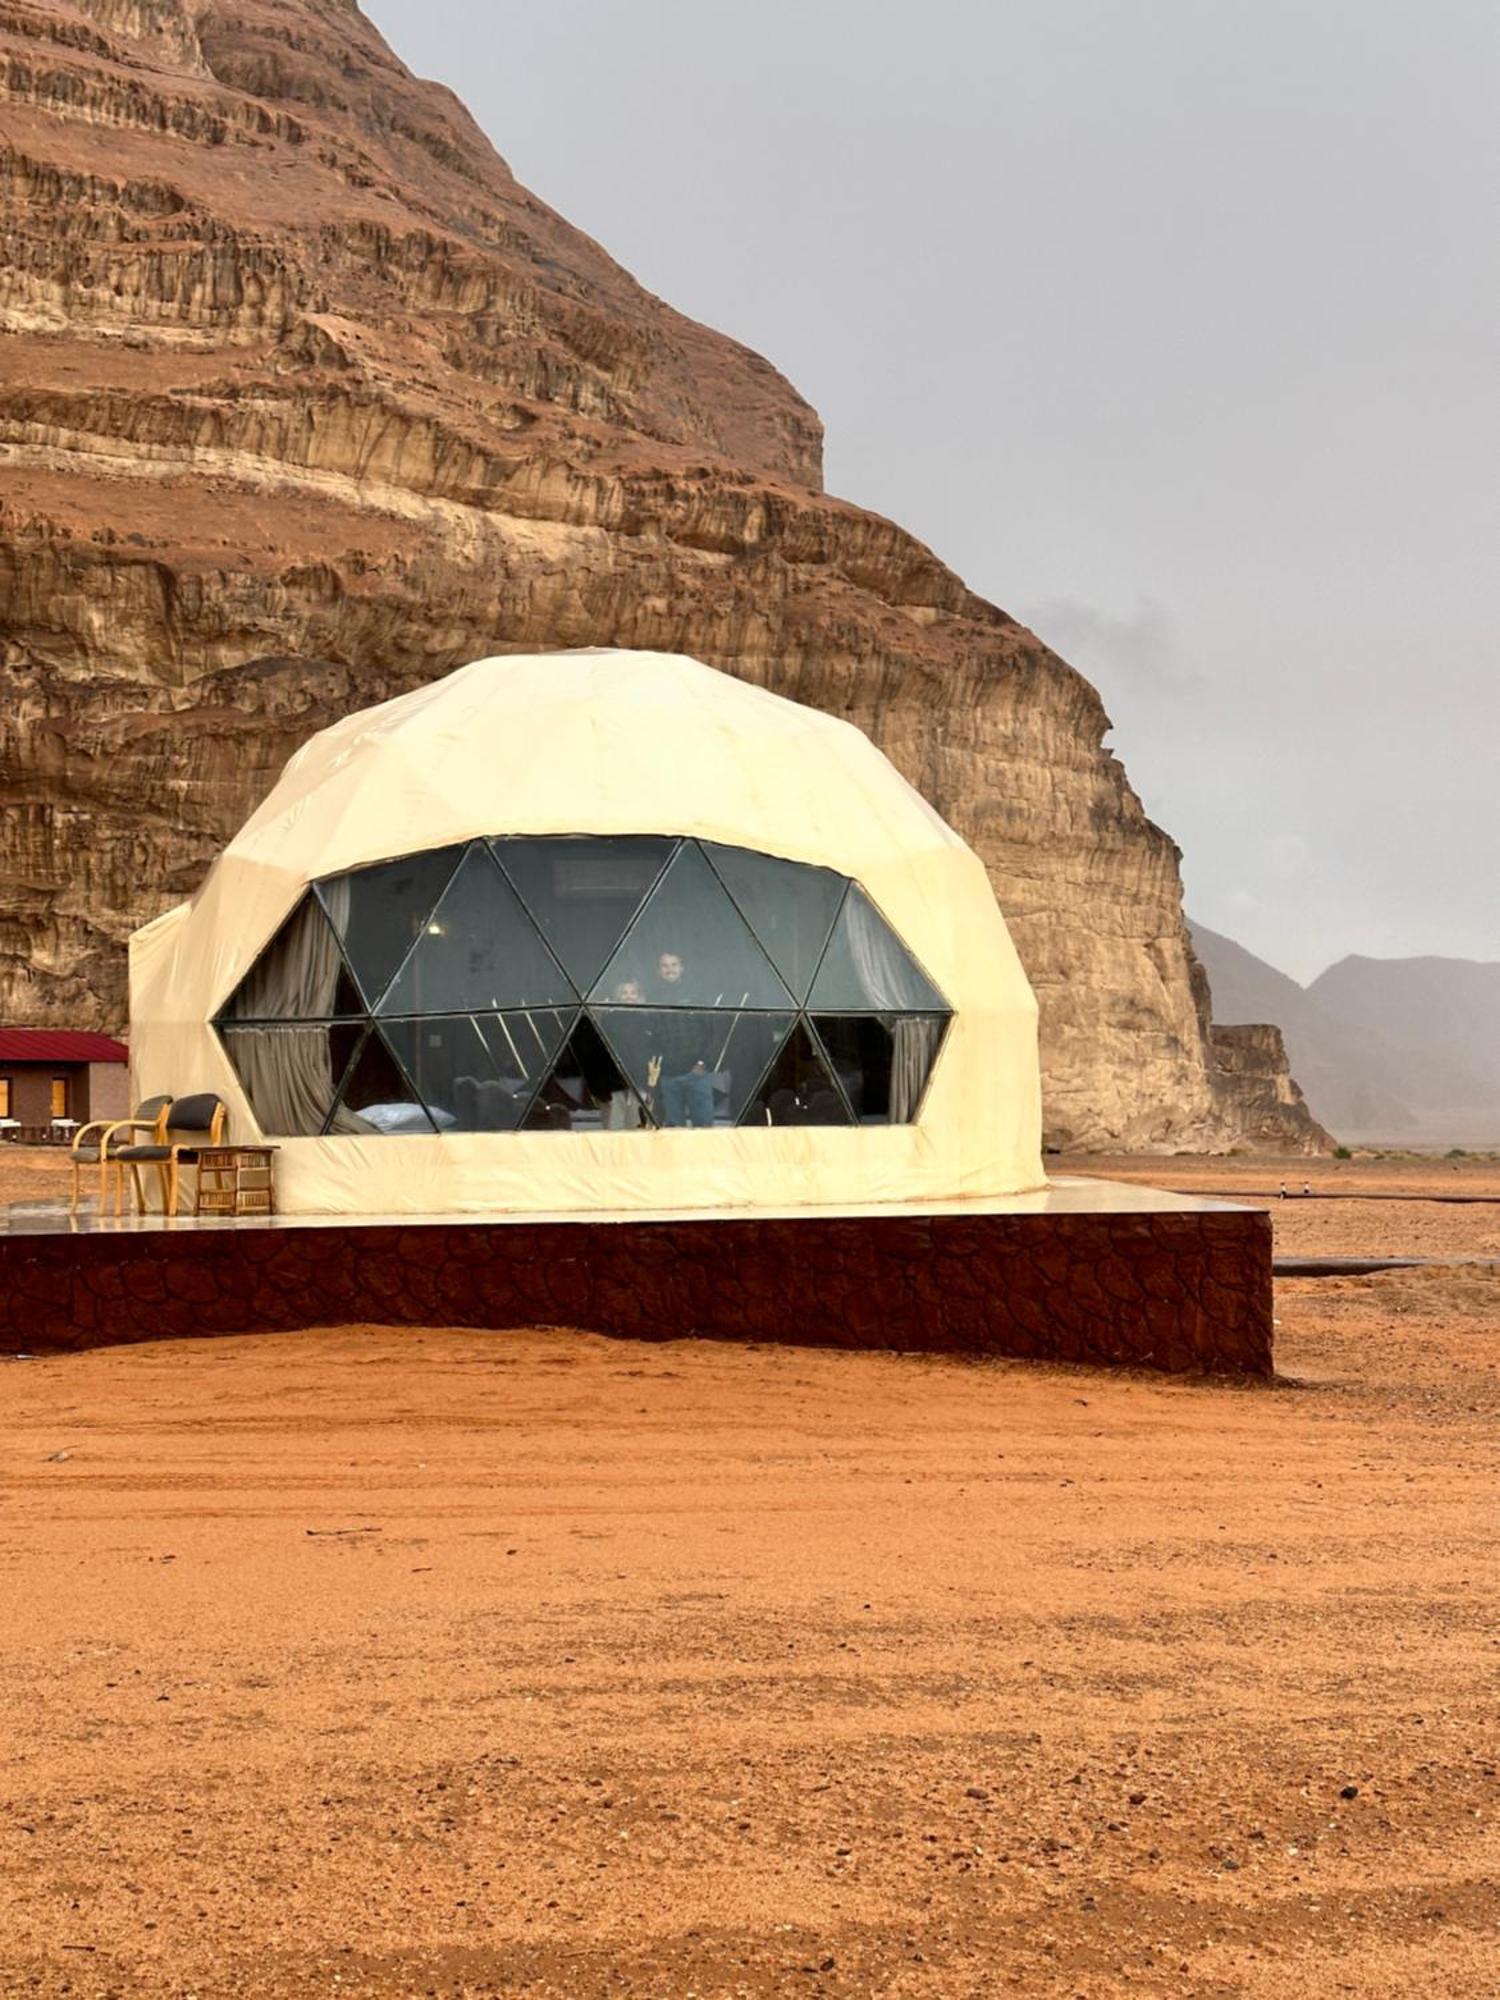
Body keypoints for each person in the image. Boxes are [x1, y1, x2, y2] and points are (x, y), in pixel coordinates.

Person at [650, 949, 717, 1127]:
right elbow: (651, 1037)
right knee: (673, 1133)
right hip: (668, 1077)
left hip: (696, 1074)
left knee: (704, 1130)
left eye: (674, 964)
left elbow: (711, 1031)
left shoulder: (697, 994)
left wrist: (703, 1063)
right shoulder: (651, 997)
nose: (669, 969)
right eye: (664, 965)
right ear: (658, 970)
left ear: (682, 968)